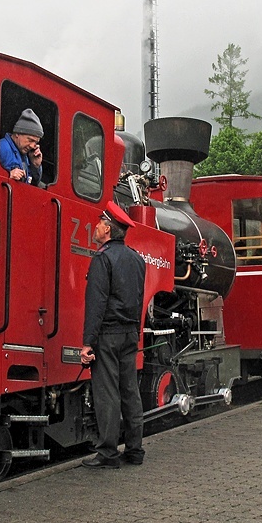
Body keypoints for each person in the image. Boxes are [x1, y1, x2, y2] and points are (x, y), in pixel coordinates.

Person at [80, 201, 147, 469]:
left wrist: (87, 343)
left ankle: (108, 454)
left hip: (108, 334)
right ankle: (135, 450)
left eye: (99, 223)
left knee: (107, 393)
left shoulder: (102, 258)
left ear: (108, 229)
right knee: (130, 391)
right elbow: (139, 299)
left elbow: (96, 304)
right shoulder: (137, 260)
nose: (95, 227)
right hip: (130, 333)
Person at [0, 109, 44, 185]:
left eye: (35, 142)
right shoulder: (2, 148)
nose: (33, 146)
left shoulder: (25, 155)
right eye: (30, 140)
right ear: (17, 134)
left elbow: (33, 184)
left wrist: (35, 165)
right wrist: (8, 175)